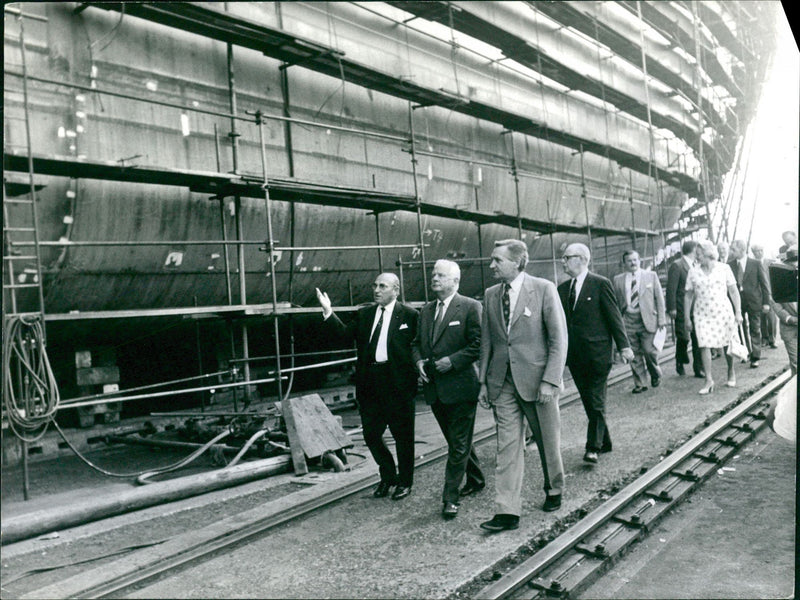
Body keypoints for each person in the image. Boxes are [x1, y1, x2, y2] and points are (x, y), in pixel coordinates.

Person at [477, 239, 568, 532]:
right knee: (507, 446)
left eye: (497, 260)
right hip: (502, 382)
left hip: (537, 382)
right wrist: (483, 383)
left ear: (517, 262)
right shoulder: (491, 295)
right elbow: (488, 342)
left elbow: (558, 339)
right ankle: (507, 511)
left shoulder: (543, 289)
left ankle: (554, 488)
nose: (491, 265)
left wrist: (550, 380)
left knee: (546, 440)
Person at [316, 273, 419, 500]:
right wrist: (328, 311)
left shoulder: (410, 316)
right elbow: (343, 334)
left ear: (396, 290)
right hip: (370, 384)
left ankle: (405, 482)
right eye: (375, 285)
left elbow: (419, 347)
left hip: (398, 386)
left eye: (382, 286)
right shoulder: (365, 314)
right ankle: (388, 476)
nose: (376, 289)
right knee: (371, 435)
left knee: (403, 438)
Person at [412, 259, 485, 520]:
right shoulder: (426, 310)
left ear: (455, 281)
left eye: (441, 276)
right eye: (433, 275)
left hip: (461, 387)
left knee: (457, 445)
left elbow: (479, 344)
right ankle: (476, 479)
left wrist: (452, 361)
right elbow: (416, 343)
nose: (434, 279)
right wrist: (419, 360)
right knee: (457, 441)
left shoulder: (469, 307)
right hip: (435, 389)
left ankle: (450, 498)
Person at [557, 243, 634, 464]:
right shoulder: (562, 289)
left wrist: (624, 346)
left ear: (581, 259)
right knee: (590, 401)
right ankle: (605, 441)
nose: (563, 261)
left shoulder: (600, 284)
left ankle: (593, 447)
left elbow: (614, 317)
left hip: (598, 353)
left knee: (596, 400)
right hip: (575, 356)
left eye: (567, 257)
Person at [684, 240, 743, 394]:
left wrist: (738, 312)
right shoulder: (693, 271)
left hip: (722, 312)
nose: (697, 258)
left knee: (726, 343)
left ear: (708, 254)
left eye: (699, 255)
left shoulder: (724, 269)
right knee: (703, 344)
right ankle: (709, 380)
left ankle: (731, 370)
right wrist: (686, 318)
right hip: (702, 314)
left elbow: (734, 291)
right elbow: (688, 296)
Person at [613, 250, 668, 393]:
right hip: (628, 320)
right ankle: (641, 383)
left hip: (648, 320)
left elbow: (659, 299)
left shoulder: (651, 276)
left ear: (639, 261)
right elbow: (616, 302)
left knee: (649, 351)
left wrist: (662, 319)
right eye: (629, 261)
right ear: (624, 263)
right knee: (634, 353)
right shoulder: (618, 279)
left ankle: (655, 373)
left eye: (635, 260)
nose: (633, 263)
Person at [728, 239, 771, 368]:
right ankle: (745, 353)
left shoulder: (756, 264)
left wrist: (766, 303)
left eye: (734, 250)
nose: (732, 252)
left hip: (754, 301)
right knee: (741, 329)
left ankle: (756, 356)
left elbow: (764, 284)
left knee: (755, 328)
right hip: (738, 302)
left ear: (742, 250)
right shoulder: (730, 265)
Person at [666, 241, 704, 378]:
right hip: (682, 308)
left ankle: (698, 368)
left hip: (698, 307)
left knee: (697, 337)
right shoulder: (677, 265)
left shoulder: (697, 265)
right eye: (698, 250)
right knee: (683, 337)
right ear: (693, 250)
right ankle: (680, 359)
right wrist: (672, 308)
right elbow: (671, 289)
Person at [769, 245, 798, 374]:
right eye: (792, 263)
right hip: (789, 328)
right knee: (795, 362)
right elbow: (774, 302)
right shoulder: (779, 280)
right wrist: (788, 318)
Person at [752, 244, 779, 349]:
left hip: (770, 292)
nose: (759, 253)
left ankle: (772, 339)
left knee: (771, 316)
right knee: (761, 317)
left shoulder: (770, 262)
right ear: (753, 253)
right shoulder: (752, 263)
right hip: (758, 294)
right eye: (756, 251)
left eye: (760, 250)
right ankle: (765, 338)